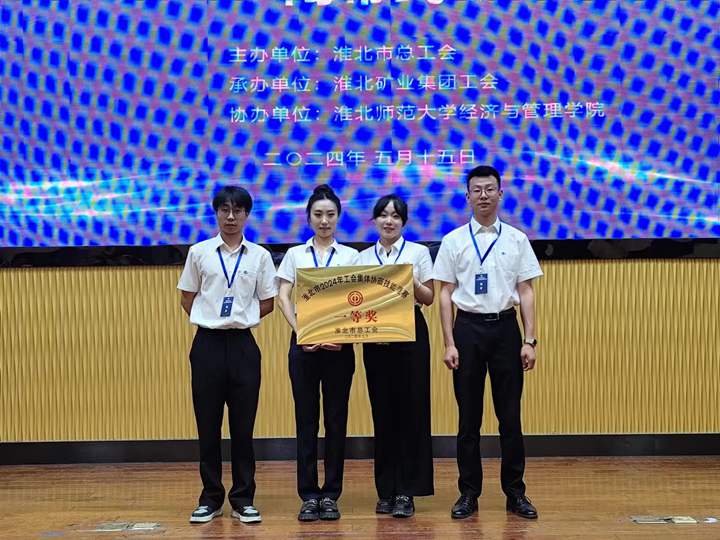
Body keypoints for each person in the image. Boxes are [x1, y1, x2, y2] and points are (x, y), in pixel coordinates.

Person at [432, 165, 542, 520]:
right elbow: (445, 294)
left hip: (505, 330)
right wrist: (449, 343)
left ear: (500, 194)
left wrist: (529, 340)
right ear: (467, 196)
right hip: (467, 331)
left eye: (490, 189)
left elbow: (526, 291)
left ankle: (515, 493)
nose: (483, 195)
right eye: (477, 190)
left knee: (510, 417)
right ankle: (468, 493)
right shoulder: (453, 241)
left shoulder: (516, 239)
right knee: (469, 419)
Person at [177, 186, 277, 525]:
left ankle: (243, 499)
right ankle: (210, 498)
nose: (231, 217)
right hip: (207, 345)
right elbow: (187, 297)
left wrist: (239, 318)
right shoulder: (199, 252)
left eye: (237, 210)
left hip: (244, 346)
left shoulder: (260, 256)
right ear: (216, 213)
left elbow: (268, 302)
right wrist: (213, 319)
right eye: (224, 210)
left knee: (243, 428)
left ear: (247, 214)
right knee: (207, 425)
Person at [276, 184, 360, 522]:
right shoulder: (295, 254)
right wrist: (300, 331)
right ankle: (309, 495)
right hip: (304, 347)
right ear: (308, 217)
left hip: (340, 349)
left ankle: (331, 494)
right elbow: (283, 296)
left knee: (336, 420)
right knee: (306, 420)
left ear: (338, 217)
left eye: (330, 214)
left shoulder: (351, 256)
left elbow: (358, 300)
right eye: (318, 214)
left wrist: (344, 334)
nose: (324, 221)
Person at [358, 194, 435, 518]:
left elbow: (429, 297)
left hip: (410, 333)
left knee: (412, 412)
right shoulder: (362, 257)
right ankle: (386, 490)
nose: (389, 221)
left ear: (403, 221)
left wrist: (408, 278)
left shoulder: (418, 252)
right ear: (375, 220)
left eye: (395, 216)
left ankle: (407, 490)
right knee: (383, 412)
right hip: (375, 334)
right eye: (383, 215)